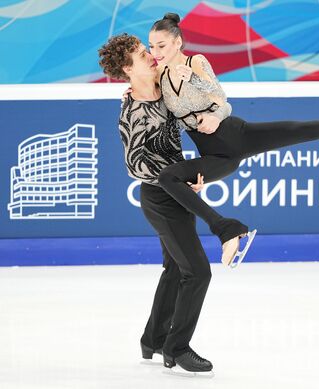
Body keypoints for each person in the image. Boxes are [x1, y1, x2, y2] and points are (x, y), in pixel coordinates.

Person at [143, 13, 319, 227]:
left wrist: (210, 110)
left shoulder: (196, 63)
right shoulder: (161, 78)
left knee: (310, 129)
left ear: (178, 42)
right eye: (152, 46)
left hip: (235, 135)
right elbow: (167, 118)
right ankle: (228, 233)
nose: (156, 52)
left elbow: (221, 98)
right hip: (215, 157)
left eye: (162, 45)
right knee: (173, 179)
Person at [98, 33, 246, 374]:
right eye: (139, 54)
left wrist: (187, 173)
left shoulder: (163, 90)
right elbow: (135, 164)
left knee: (177, 268)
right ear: (126, 69)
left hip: (176, 192)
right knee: (198, 272)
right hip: (161, 199)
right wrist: (175, 177)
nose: (149, 54)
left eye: (146, 48)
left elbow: (201, 102)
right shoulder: (133, 111)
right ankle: (177, 347)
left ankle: (152, 339)